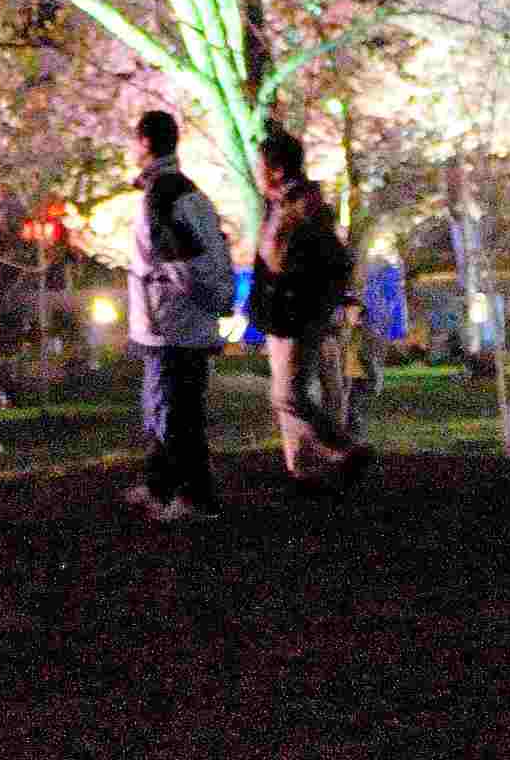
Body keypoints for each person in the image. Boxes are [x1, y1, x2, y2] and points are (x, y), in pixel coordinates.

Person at [247, 129, 372, 490]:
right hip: (282, 310)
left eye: (262, 165)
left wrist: (304, 293)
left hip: (297, 311)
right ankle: (302, 468)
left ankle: (344, 447)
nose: (257, 172)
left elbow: (327, 260)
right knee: (287, 393)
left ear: (277, 169)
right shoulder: (280, 204)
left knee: (289, 394)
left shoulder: (304, 207)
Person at [123, 108, 231, 522]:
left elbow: (182, 264)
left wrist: (210, 302)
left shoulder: (163, 197)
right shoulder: (181, 192)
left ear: (145, 143)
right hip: (172, 323)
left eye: (135, 140)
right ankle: (160, 485)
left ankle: (194, 497)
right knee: (162, 409)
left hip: (172, 326)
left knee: (175, 414)